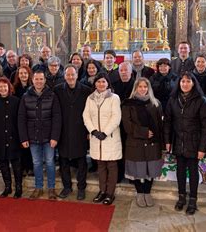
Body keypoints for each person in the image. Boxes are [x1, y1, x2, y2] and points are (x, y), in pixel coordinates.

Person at [164, 71, 206, 215]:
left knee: (193, 172)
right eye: (182, 81)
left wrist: (202, 147)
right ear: (179, 83)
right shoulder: (173, 99)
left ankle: (193, 200)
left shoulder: (201, 101)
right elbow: (168, 122)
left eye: (188, 81)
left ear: (193, 83)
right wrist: (167, 141)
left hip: (194, 142)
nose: (185, 84)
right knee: (180, 171)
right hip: (178, 140)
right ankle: (181, 197)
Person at [18, 70, 62, 200]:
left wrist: (55, 137)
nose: (39, 82)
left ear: (45, 80)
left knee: (49, 162)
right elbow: (21, 119)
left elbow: (57, 117)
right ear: (33, 80)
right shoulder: (26, 96)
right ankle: (38, 188)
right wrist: (24, 138)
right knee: (36, 163)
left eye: (41, 79)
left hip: (49, 137)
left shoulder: (52, 96)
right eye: (36, 79)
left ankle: (51, 188)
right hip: (32, 137)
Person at [122, 77, 164, 208]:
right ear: (135, 88)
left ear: (149, 88)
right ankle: (140, 193)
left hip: (153, 143)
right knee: (137, 170)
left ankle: (147, 193)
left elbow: (160, 124)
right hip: (136, 143)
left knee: (150, 170)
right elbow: (127, 125)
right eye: (140, 87)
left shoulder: (156, 103)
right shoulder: (128, 104)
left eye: (145, 87)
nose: (143, 89)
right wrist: (143, 132)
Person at [54, 65, 92, 200]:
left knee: (81, 161)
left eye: (73, 75)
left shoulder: (86, 90)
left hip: (80, 130)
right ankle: (67, 187)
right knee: (63, 161)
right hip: (63, 130)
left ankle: (81, 188)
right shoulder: (57, 90)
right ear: (64, 76)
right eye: (68, 75)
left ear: (77, 75)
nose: (70, 77)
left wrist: (89, 131)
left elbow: (90, 113)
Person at [83, 73, 122, 205]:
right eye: (98, 81)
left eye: (103, 82)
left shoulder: (114, 98)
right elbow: (86, 116)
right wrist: (93, 130)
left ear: (107, 83)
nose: (101, 84)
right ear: (95, 83)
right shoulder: (90, 98)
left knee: (111, 166)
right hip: (96, 138)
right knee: (100, 166)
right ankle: (102, 191)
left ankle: (110, 193)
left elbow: (116, 117)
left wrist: (105, 132)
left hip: (109, 137)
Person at [0, 78, 22, 198]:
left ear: (9, 87)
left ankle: (18, 187)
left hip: (14, 138)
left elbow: (20, 121)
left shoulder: (16, 101)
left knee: (16, 165)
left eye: (5, 87)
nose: (3, 89)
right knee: (3, 164)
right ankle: (7, 187)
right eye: (0, 87)